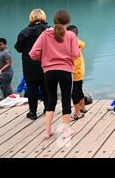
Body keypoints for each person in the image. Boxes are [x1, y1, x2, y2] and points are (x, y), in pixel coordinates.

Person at [29, 10, 80, 139]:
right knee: (65, 99)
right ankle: (66, 130)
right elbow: (76, 54)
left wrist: (46, 58)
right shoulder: (70, 35)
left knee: (50, 100)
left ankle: (47, 131)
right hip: (65, 71)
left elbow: (33, 53)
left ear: (54, 20)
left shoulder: (45, 34)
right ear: (67, 22)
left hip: (49, 72)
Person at [14, 9, 49, 120]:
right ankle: (48, 109)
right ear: (43, 17)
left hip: (30, 66)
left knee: (32, 89)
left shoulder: (24, 32)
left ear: (31, 17)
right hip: (47, 65)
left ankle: (33, 113)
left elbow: (18, 49)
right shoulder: (50, 30)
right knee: (47, 88)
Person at [66, 25, 87, 121]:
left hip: (74, 71)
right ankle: (83, 108)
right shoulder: (79, 43)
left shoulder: (70, 44)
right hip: (81, 70)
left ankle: (77, 113)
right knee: (79, 89)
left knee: (74, 92)